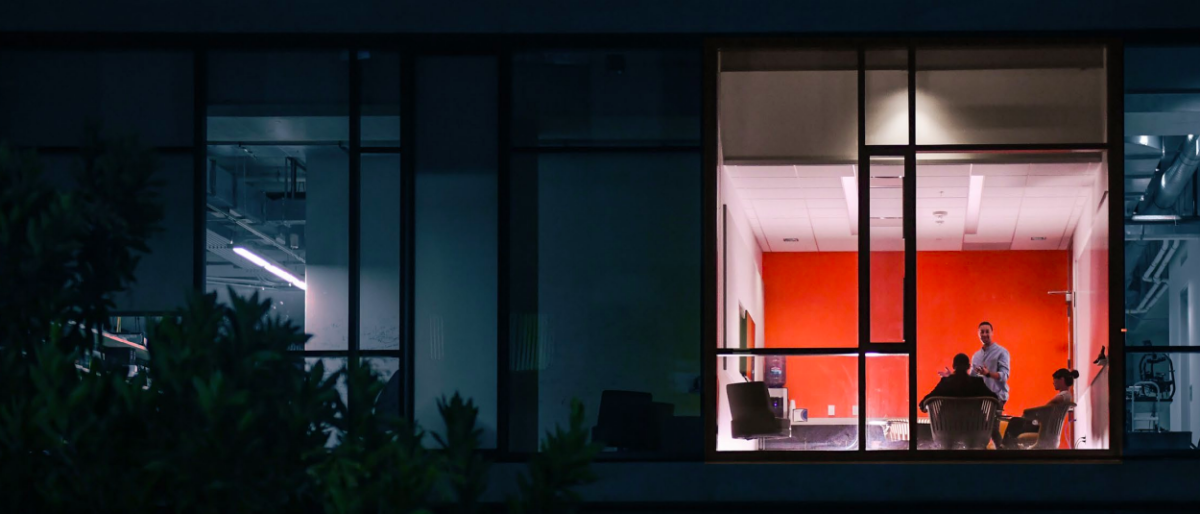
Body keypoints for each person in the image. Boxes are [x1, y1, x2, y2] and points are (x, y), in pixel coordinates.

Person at [937, 321, 1011, 448]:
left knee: (991, 427)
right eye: (982, 332)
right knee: (982, 427)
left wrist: (989, 374)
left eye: (987, 331)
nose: (985, 334)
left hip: (996, 396)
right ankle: (993, 449)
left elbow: (1004, 376)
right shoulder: (976, 356)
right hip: (980, 398)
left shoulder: (1002, 352)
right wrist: (953, 376)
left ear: (992, 333)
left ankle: (1001, 450)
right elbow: (970, 378)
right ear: (978, 334)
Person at [1000, 368, 1079, 449]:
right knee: (1016, 423)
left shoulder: (1064, 395)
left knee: (1014, 421)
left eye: (1055, 380)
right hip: (1046, 427)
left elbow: (1047, 407)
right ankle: (1010, 445)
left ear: (1061, 380)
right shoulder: (1066, 395)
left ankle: (1006, 446)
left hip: (1043, 428)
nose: (1053, 382)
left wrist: (1030, 414)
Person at [920, 353, 998, 412]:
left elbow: (926, 400)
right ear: (968, 366)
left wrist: (923, 407)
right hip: (975, 429)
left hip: (947, 429)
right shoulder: (978, 383)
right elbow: (995, 398)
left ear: (953, 366)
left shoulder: (945, 383)